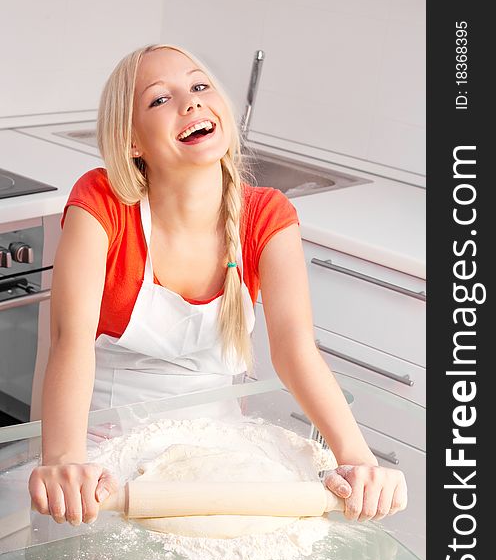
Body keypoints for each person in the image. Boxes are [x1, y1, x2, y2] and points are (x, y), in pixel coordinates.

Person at [28, 44, 407, 527]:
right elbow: (70, 340)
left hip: (216, 448)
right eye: (160, 99)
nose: (191, 103)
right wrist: (63, 459)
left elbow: (295, 351)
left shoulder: (266, 216)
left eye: (200, 86)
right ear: (131, 142)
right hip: (102, 455)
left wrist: (358, 460)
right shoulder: (104, 202)